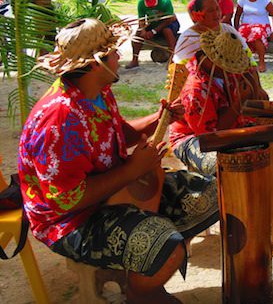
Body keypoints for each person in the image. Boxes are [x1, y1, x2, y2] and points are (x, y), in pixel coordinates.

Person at [18, 18, 219, 304]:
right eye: (114, 51)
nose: (118, 56)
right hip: (70, 220)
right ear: (97, 63)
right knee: (165, 246)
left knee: (209, 194)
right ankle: (141, 293)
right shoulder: (60, 119)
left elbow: (117, 133)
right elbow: (68, 200)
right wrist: (132, 170)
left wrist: (157, 120)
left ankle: (143, 271)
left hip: (112, 189)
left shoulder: (98, 89)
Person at [170, 28, 256, 175]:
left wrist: (254, 87)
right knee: (225, 165)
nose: (231, 71)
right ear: (210, 61)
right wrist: (239, 102)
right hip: (193, 139)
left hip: (226, 129)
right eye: (227, 66)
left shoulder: (225, 74)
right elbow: (211, 136)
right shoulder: (195, 90)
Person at [126, 0, 181, 69]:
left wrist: (154, 31)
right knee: (138, 33)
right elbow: (141, 21)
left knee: (167, 30)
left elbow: (169, 19)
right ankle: (135, 59)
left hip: (168, 23)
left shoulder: (165, 1)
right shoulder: (141, 3)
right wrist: (143, 31)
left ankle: (172, 58)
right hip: (152, 24)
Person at [233, 0, 273, 72]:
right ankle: (244, 62)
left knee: (257, 33)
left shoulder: (264, 0)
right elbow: (237, 15)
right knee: (241, 34)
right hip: (246, 25)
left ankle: (262, 62)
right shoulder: (242, 0)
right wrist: (236, 29)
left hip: (262, 26)